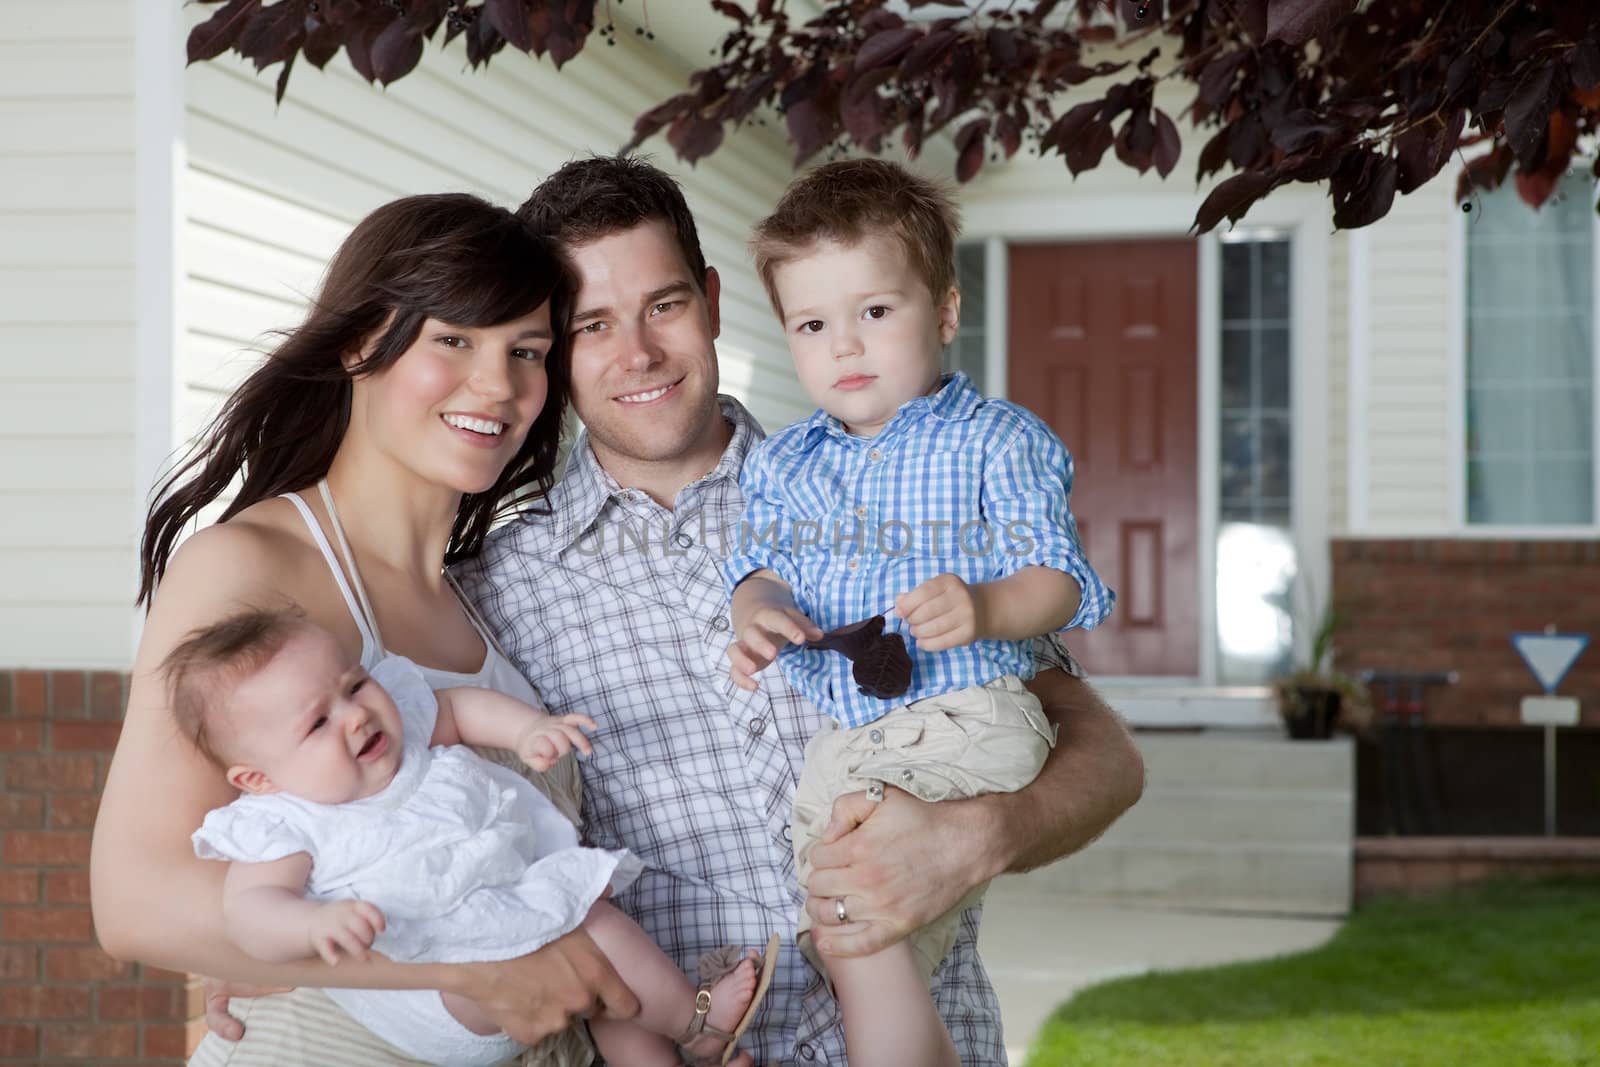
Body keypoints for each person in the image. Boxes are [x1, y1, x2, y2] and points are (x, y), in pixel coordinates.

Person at [454, 155, 1146, 1065]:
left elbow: (1107, 758)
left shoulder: (888, 487)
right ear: (553, 343)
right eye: (593, 325)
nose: (639, 354)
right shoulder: (496, 587)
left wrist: (981, 836)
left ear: (708, 301)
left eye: (663, 305)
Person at [91, 192, 677, 1067]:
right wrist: (462, 970)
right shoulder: (250, 564)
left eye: (527, 351)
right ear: (361, 342)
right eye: (454, 341)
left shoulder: (487, 596)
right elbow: (132, 902)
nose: (500, 385)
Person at [723, 158, 1115, 1066]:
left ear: (944, 312)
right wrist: (761, 611)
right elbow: (759, 567)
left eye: (875, 312)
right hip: (868, 737)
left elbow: (1058, 577)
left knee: (850, 906)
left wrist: (986, 604)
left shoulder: (995, 440)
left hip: (969, 715)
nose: (845, 347)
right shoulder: (786, 464)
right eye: (813, 324)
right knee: (853, 928)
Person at [169, 606, 776, 1067]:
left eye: (353, 686)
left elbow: (458, 708)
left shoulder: (402, 731)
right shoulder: (288, 819)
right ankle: (697, 1024)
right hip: (436, 990)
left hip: (505, 920)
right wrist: (310, 926)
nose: (355, 714)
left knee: (600, 971)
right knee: (596, 935)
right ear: (259, 777)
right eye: (318, 723)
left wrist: (527, 730)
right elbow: (249, 913)